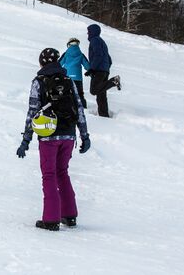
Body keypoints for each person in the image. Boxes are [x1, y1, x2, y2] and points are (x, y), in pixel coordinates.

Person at [16, 48, 90, 231]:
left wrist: (26, 140)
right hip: (69, 134)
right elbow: (79, 108)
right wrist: (84, 135)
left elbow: (33, 111)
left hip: (48, 135)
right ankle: (69, 215)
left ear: (42, 63)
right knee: (62, 172)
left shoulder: (39, 81)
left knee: (49, 175)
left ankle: (51, 219)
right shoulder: (68, 81)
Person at [85, 24, 121, 118]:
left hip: (99, 70)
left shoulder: (94, 40)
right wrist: (106, 69)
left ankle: (113, 81)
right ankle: (104, 116)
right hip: (104, 70)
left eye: (89, 31)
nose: (87, 33)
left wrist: (92, 68)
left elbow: (98, 55)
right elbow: (109, 59)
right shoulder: (102, 42)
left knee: (94, 90)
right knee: (101, 94)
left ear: (93, 32)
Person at [59, 38, 90, 108]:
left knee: (67, 92)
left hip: (68, 77)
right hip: (78, 78)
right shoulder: (81, 54)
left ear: (69, 45)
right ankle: (83, 107)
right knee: (80, 93)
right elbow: (87, 66)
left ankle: (67, 106)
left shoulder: (66, 54)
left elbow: (59, 64)